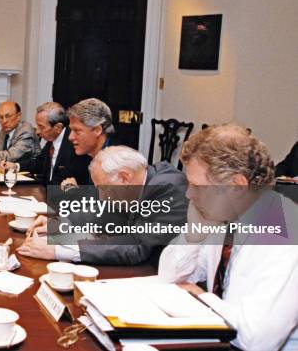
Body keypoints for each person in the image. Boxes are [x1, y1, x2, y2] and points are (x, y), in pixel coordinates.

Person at [158, 125, 298, 350]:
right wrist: (194, 233)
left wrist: (203, 298)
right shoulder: (227, 218)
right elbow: (169, 276)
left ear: (237, 186)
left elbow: (255, 341)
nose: (189, 194)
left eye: (197, 186)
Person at [17, 146, 188, 266]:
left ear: (124, 177)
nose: (102, 197)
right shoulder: (133, 184)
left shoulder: (167, 187)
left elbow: (137, 245)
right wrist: (58, 223)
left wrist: (57, 251)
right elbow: (104, 214)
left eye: (104, 189)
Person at [26, 102, 91, 185]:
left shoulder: (75, 145)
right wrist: (16, 166)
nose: (37, 131)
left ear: (58, 128)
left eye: (41, 127)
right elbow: (38, 163)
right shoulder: (51, 141)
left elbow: (66, 178)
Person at [61, 98, 115, 186]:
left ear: (97, 130)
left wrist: (75, 193)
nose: (70, 137)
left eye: (77, 131)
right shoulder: (80, 155)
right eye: (71, 130)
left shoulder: (115, 164)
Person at [0, 101, 41, 167]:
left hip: (28, 174)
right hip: (9, 172)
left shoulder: (26, 131)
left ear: (19, 116)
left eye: (8, 116)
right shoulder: (5, 130)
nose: (4, 121)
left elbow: (10, 157)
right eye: (1, 117)